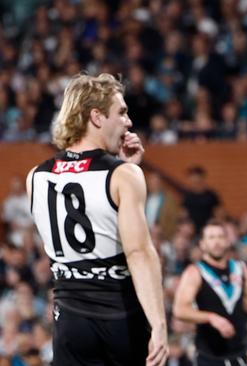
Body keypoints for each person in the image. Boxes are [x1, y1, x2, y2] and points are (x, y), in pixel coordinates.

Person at [26, 73, 168, 366]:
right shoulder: (122, 176)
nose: (128, 122)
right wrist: (160, 325)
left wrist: (123, 168)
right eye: (122, 112)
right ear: (96, 117)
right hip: (119, 319)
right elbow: (139, 253)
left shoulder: (36, 176)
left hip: (68, 321)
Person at [173, 221, 247, 366]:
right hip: (209, 356)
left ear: (227, 241)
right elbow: (180, 310)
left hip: (239, 353)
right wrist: (211, 317)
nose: (216, 242)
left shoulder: (239, 268)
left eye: (220, 237)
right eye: (211, 237)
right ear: (202, 244)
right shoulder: (195, 272)